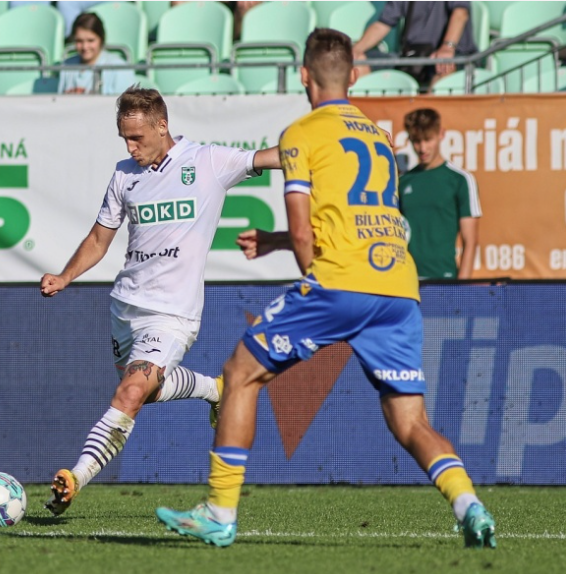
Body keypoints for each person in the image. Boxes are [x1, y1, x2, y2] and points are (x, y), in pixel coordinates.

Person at [155, 28, 496, 549]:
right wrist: (274, 241)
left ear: (303, 76)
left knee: (239, 375)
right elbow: (364, 213)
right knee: (410, 420)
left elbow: (302, 230)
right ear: (355, 76)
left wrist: (310, 272)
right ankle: (469, 505)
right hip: (399, 287)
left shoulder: (302, 132)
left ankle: (220, 511)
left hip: (341, 280)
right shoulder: (378, 136)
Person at [40, 86, 282, 516]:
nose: (131, 147)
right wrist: (65, 275)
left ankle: (75, 477)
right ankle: (214, 389)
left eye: (138, 138)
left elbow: (272, 156)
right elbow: (99, 240)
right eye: (124, 139)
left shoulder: (207, 162)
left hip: (173, 314)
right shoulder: (123, 175)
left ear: (162, 125)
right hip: (125, 307)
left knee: (131, 391)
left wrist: (337, 146)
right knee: (142, 393)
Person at [400, 108, 481, 279]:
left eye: (428, 140)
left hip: (444, 280)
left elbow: (470, 241)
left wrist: (462, 289)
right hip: (406, 281)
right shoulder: (403, 182)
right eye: (416, 141)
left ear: (441, 134)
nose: (422, 148)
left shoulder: (460, 179)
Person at [352, 1, 476, 86]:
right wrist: (356, 50)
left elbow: (461, 14)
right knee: (358, 62)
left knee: (445, 69)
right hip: (411, 56)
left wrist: (447, 47)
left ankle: (425, 121)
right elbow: (383, 24)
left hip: (452, 55)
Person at [59, 12, 135, 95]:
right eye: (79, 41)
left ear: (101, 39)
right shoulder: (67, 65)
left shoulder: (119, 67)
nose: (85, 47)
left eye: (90, 40)